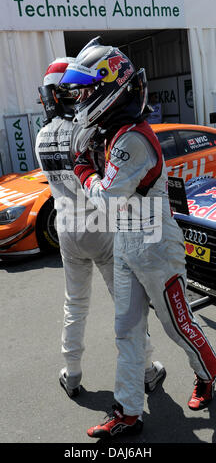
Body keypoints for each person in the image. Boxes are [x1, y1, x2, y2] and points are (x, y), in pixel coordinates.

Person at [58, 37, 216, 438]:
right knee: (126, 333)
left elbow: (107, 197)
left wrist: (83, 170)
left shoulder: (131, 138)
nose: (81, 99)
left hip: (155, 244)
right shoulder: (114, 133)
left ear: (112, 88)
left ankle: (208, 375)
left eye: (87, 91)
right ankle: (128, 412)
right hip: (128, 243)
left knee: (178, 325)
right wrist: (91, 160)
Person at [35, 57, 166, 400]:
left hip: (65, 227)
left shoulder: (40, 136)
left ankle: (72, 373)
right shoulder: (86, 130)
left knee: (74, 303)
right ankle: (148, 370)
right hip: (100, 225)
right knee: (126, 303)